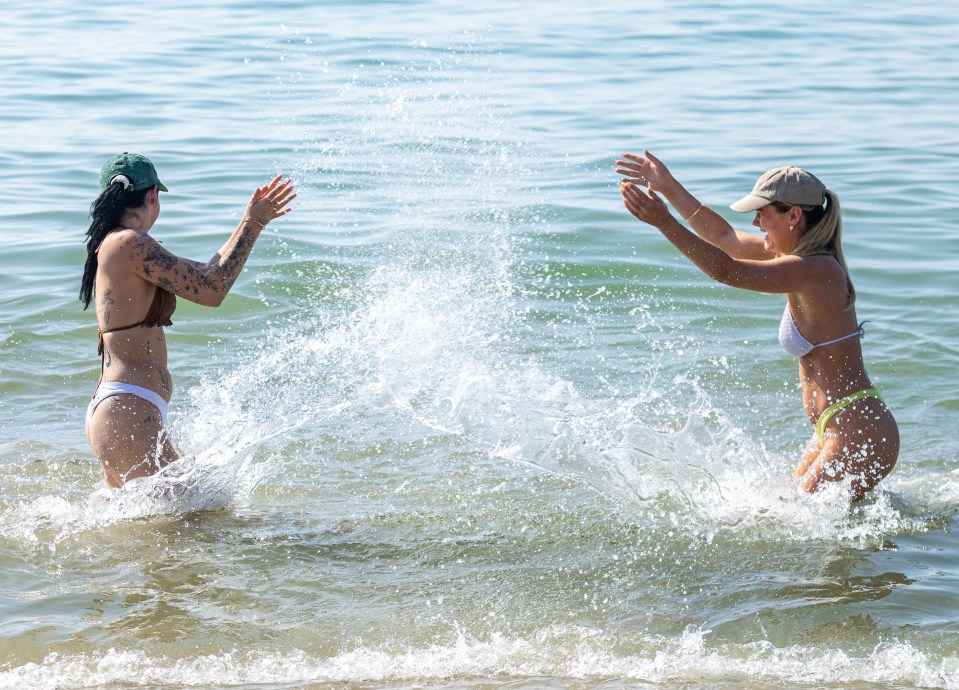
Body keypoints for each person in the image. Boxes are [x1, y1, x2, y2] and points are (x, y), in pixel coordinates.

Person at [615, 150, 899, 501]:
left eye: (762, 215)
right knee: (809, 524)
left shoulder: (816, 269)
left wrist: (665, 224)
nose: (755, 224)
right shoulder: (794, 259)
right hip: (837, 426)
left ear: (793, 215)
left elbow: (726, 271)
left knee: (804, 531)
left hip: (857, 428)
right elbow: (725, 240)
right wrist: (669, 187)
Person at [80, 152, 296, 487]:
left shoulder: (118, 245)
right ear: (153, 196)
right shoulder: (130, 243)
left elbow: (208, 274)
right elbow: (213, 291)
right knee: (195, 523)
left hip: (124, 410)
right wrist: (254, 225)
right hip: (127, 410)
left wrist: (247, 220)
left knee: (156, 529)